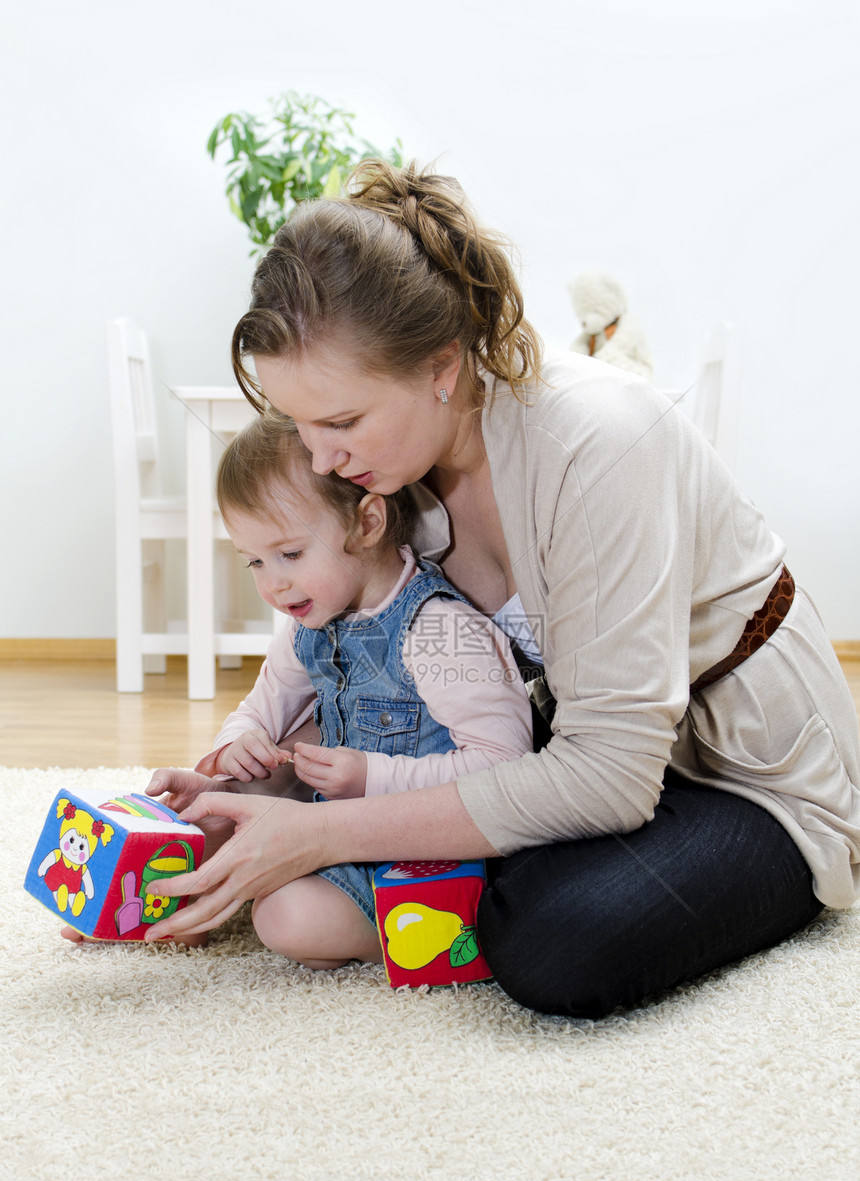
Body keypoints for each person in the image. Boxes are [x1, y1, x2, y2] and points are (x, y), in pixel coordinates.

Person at [146, 160, 860, 1019]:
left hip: (743, 770)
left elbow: (610, 777)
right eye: (301, 424)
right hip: (578, 742)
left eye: (340, 422)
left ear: (442, 365)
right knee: (435, 847)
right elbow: (353, 659)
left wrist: (324, 831)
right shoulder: (390, 473)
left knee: (557, 942)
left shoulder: (597, 444)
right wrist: (251, 791)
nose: (321, 456)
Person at [169, 408, 532, 968]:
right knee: (211, 808)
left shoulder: (439, 631)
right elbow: (259, 710)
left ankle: (444, 928)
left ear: (367, 524)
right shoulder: (308, 624)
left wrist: (372, 777)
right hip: (327, 829)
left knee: (285, 919)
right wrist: (237, 744)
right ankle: (164, 901)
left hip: (430, 853)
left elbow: (505, 770)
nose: (273, 583)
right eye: (254, 562)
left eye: (290, 554)